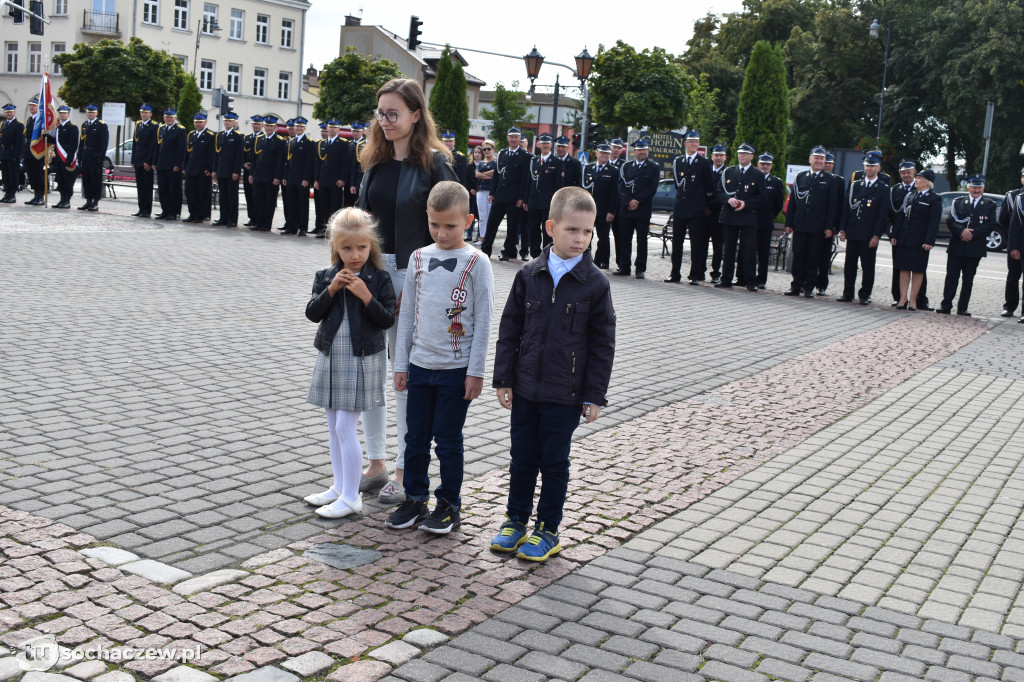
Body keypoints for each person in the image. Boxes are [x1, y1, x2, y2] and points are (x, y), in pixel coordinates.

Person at [490, 186, 616, 561]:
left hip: (567, 393)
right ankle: (515, 520)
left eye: (587, 232)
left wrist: (595, 394)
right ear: (550, 227)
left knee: (554, 462)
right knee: (522, 457)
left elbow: (602, 344)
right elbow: (509, 328)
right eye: (572, 230)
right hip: (526, 388)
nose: (580, 239)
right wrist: (504, 379)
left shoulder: (595, 283)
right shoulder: (529, 274)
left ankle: (548, 528)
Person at [356, 77, 458, 506]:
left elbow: (453, 229)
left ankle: (403, 468)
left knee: (405, 377)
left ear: (417, 114)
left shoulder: (436, 165)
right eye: (381, 113)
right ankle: (375, 461)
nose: (385, 121)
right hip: (372, 277)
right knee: (371, 375)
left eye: (393, 113)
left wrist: (429, 284)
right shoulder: (375, 161)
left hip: (414, 278)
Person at [386, 181, 493, 533]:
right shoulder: (419, 257)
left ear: (468, 220)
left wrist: (475, 371)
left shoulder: (477, 262)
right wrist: (401, 364)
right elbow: (407, 317)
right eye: (435, 224)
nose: (442, 232)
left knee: (447, 441)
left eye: (451, 225)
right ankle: (415, 497)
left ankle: (449, 504)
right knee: (414, 438)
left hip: (455, 369)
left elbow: (483, 318)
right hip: (419, 366)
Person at [303, 208, 396, 519]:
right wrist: (332, 289)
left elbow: (386, 320)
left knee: (345, 425)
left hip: (362, 359)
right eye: (347, 248)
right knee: (333, 426)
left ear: (371, 246)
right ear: (335, 247)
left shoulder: (378, 278)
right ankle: (340, 486)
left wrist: (365, 295)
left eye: (362, 247)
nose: (355, 255)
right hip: (332, 356)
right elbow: (313, 313)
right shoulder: (326, 276)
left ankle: (352, 496)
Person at [785, 146, 840, 298]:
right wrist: (788, 223)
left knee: (812, 258)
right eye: (816, 158)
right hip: (800, 224)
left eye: (821, 158)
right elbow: (793, 202)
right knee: (799, 256)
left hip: (818, 225)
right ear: (810, 159)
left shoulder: (830, 180)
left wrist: (829, 226)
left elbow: (832, 205)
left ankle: (809, 287)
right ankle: (796, 285)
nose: (819, 161)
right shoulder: (801, 177)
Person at [939, 175, 995, 316]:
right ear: (968, 187)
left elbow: (990, 225)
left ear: (983, 188)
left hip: (974, 247)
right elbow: (951, 221)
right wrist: (962, 231)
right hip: (957, 245)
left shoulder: (990, 205)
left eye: (979, 187)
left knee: (968, 278)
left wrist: (972, 234)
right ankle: (946, 305)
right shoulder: (958, 202)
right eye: (974, 187)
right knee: (951, 276)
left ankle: (962, 307)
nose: (976, 190)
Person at [837, 152, 889, 304]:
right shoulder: (855, 185)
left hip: (868, 233)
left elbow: (882, 215)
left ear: (878, 168)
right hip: (853, 231)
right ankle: (847, 293)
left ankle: (865, 294)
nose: (869, 169)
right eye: (867, 165)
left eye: (872, 166)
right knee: (850, 265)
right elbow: (847, 208)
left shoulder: (883, 188)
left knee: (867, 266)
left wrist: (876, 235)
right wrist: (842, 228)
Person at [666, 130, 714, 284]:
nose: (694, 144)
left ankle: (695, 275)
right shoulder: (678, 161)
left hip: (697, 209)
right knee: (677, 242)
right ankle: (675, 273)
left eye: (696, 141)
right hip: (681, 207)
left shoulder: (704, 162)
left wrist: (707, 206)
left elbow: (709, 187)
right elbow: (677, 184)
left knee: (697, 244)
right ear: (685, 143)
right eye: (691, 141)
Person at [715, 143, 763, 290]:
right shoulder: (728, 172)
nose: (741, 156)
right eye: (740, 153)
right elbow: (719, 191)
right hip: (730, 216)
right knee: (728, 249)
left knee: (748, 250)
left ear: (752, 157)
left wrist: (746, 204)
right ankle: (726, 279)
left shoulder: (758, 174)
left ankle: (750, 281)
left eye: (745, 154)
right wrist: (727, 200)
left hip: (747, 216)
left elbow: (762, 197)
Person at [892, 169, 941, 310]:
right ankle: (902, 299)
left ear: (926, 182)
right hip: (905, 238)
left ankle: (913, 300)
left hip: (920, 240)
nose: (916, 180)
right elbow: (901, 217)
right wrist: (895, 235)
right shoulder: (911, 196)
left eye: (919, 178)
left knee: (918, 270)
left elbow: (933, 222)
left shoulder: (934, 198)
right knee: (904, 268)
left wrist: (929, 241)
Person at [481, 127, 530, 261]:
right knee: (492, 224)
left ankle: (508, 251)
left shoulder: (525, 156)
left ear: (520, 139)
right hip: (500, 195)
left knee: (512, 227)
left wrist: (521, 197)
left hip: (514, 198)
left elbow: (525, 179)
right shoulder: (502, 153)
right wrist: (492, 192)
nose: (513, 139)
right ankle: (485, 249)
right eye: (511, 137)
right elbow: (497, 175)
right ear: (507, 138)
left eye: (516, 137)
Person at [613, 139, 660, 279]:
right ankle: (624, 266)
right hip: (626, 209)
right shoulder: (626, 166)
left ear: (648, 151)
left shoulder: (653, 167)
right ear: (635, 152)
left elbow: (652, 188)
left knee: (641, 240)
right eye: (640, 150)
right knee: (624, 239)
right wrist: (628, 201)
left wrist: (637, 201)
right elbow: (620, 186)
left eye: (645, 149)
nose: (642, 152)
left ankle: (640, 268)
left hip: (643, 209)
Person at [524, 133, 564, 257]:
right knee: (533, 228)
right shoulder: (533, 161)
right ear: (538, 144)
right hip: (533, 201)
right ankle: (535, 254)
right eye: (543, 143)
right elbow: (528, 182)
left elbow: (559, 185)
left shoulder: (557, 162)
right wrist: (526, 199)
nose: (545, 145)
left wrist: (556, 203)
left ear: (551, 145)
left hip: (548, 203)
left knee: (547, 230)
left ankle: (546, 254)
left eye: (547, 143)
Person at [582, 142, 618, 269]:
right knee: (586, 236)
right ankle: (586, 259)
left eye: (607, 153)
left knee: (603, 239)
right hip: (588, 210)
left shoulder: (614, 171)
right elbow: (583, 189)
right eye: (602, 153)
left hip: (604, 210)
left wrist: (611, 211)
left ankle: (597, 262)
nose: (604, 155)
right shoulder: (588, 168)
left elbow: (615, 194)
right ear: (596, 153)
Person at [311, 119, 351, 231]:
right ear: (327, 128)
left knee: (335, 207)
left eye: (335, 127)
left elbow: (345, 163)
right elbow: (318, 163)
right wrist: (316, 180)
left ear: (338, 129)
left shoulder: (343, 143)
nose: (332, 129)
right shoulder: (321, 143)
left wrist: (342, 178)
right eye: (330, 127)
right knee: (324, 207)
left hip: (335, 180)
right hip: (323, 180)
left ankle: (334, 230)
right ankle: (324, 230)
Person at [754, 152, 785, 289]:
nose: (765, 166)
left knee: (763, 253)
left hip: (765, 222)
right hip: (750, 221)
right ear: (758, 164)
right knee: (747, 250)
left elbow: (778, 204)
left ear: (771, 166)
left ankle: (761, 279)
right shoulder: (752, 178)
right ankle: (744, 277)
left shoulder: (776, 182)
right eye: (762, 164)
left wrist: (770, 215)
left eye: (768, 164)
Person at [250, 115, 285, 231]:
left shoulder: (279, 141)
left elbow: (280, 161)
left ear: (275, 127)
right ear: (264, 126)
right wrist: (251, 174)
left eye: (271, 126)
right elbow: (254, 158)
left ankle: (266, 224)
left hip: (271, 176)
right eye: (267, 126)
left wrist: (277, 177)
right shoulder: (259, 139)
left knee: (269, 201)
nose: (268, 128)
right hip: (258, 175)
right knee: (258, 200)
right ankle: (258, 222)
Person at [701, 144, 729, 283]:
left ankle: (716, 273)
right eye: (716, 155)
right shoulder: (706, 170)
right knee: (701, 245)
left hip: (718, 215)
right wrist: (704, 206)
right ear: (711, 157)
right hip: (703, 214)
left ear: (725, 157)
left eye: (721, 155)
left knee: (718, 247)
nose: (718, 158)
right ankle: (700, 271)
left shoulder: (728, 173)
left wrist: (711, 206)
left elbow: (724, 194)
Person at [279, 117, 312, 235]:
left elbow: (309, 163)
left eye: (301, 127)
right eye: (297, 126)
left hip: (302, 178)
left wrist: (306, 178)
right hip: (291, 178)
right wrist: (284, 176)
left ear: (304, 128)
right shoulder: (291, 142)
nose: (298, 128)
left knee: (302, 204)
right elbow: (288, 162)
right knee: (291, 203)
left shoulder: (309, 143)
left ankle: (303, 227)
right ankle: (292, 226)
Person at [212, 112, 245, 227]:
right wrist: (214, 170)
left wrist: (236, 171)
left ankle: (232, 219)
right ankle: (223, 217)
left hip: (232, 171)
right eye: (225, 120)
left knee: (232, 197)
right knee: (223, 196)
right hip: (221, 170)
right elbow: (216, 154)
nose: (227, 122)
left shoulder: (238, 136)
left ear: (234, 123)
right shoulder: (220, 135)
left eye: (229, 121)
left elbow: (239, 156)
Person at [999, 168, 1024, 318]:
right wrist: (1013, 243)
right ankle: (1009, 306)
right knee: (1013, 276)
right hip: (1017, 243)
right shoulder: (1013, 196)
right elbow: (1004, 220)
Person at [183, 112, 215, 223]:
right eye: (196, 122)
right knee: (189, 192)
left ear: (205, 122)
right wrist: (185, 166)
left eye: (200, 122)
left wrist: (210, 169)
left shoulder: (210, 135)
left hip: (203, 170)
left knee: (202, 194)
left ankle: (201, 215)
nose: (198, 124)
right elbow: (187, 152)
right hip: (191, 169)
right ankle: (192, 213)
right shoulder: (191, 134)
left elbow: (212, 154)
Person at [155, 109, 186, 220]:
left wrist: (178, 164)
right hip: (161, 164)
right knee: (163, 189)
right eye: (167, 117)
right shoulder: (161, 129)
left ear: (175, 118)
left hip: (173, 165)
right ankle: (165, 210)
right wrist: (155, 162)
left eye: (171, 117)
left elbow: (181, 149)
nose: (169, 119)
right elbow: (157, 147)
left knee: (174, 190)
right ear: (163, 118)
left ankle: (174, 212)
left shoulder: (180, 130)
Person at [77, 104, 109, 212]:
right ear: (86, 113)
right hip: (86, 156)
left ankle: (95, 201)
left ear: (96, 113)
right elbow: (82, 143)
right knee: (86, 180)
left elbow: (104, 143)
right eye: (89, 112)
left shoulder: (101, 125)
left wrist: (100, 157)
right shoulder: (84, 125)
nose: (91, 114)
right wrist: (79, 156)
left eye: (93, 112)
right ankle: (88, 200)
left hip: (95, 157)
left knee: (95, 180)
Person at [131, 104, 158, 218]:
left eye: (146, 113)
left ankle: (147, 210)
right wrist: (133, 159)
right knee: (140, 186)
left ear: (150, 114)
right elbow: (135, 143)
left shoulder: (154, 126)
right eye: (142, 112)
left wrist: (149, 161)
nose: (143, 114)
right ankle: (141, 208)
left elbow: (153, 145)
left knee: (147, 187)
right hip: (138, 160)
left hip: (146, 161)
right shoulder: (138, 125)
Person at [50, 105, 78, 209]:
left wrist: (69, 159)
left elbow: (73, 144)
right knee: (60, 180)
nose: (62, 115)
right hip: (59, 159)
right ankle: (62, 199)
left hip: (67, 158)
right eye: (61, 113)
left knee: (68, 181)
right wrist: (48, 138)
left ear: (68, 114)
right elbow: (57, 142)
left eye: (64, 113)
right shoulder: (58, 127)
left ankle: (67, 200)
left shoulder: (72, 127)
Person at [22, 97, 45, 206]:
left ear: (38, 107)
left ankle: (40, 196)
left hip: (37, 152)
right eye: (30, 105)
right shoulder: (30, 119)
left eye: (34, 105)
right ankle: (36, 195)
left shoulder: (40, 120)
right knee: (31, 175)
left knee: (38, 174)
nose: (31, 107)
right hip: (29, 151)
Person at [0, 103, 25, 203]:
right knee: (5, 174)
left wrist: (17, 156)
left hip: (13, 152)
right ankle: (7, 193)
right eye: (7, 112)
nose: (9, 114)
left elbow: (20, 142)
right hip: (4, 152)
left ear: (14, 112)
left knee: (13, 175)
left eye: (10, 112)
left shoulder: (19, 125)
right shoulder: (3, 124)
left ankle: (12, 194)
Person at [242, 115, 264, 227]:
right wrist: (244, 163)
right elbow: (243, 154)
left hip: (258, 172)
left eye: (258, 124)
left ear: (262, 125)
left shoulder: (264, 137)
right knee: (248, 195)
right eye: (254, 123)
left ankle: (257, 218)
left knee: (257, 197)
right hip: (247, 171)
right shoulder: (247, 137)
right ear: (251, 124)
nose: (256, 126)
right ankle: (251, 217)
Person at [475, 141, 497, 246]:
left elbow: (495, 173)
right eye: (485, 149)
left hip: (491, 191)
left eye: (489, 149)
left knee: (491, 216)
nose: (486, 151)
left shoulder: (496, 162)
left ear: (493, 149)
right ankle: (482, 238)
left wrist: (483, 174)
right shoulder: (481, 163)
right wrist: (489, 175)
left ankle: (489, 239)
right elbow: (477, 175)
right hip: (481, 191)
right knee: (482, 216)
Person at [345, 122, 366, 208]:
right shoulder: (349, 144)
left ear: (362, 132)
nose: (355, 133)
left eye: (357, 131)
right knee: (347, 204)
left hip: (358, 179)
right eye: (353, 131)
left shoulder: (364, 144)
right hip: (348, 179)